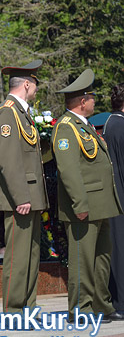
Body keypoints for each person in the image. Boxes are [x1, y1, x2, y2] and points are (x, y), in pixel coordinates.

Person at [52, 69, 124, 322]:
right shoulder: (65, 128)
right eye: (92, 97)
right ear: (83, 101)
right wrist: (80, 204)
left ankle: (102, 305)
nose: (95, 101)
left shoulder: (85, 126)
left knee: (102, 258)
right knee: (83, 260)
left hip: (102, 205)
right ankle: (80, 310)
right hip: (85, 206)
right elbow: (69, 170)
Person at [0, 61, 49, 316]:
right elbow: (9, 161)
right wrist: (21, 197)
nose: (36, 89)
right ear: (27, 84)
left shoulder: (22, 113)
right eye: (35, 84)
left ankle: (28, 307)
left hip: (31, 196)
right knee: (18, 258)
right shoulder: (7, 113)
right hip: (21, 198)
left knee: (31, 256)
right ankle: (14, 311)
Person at [103, 84, 124, 314]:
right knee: (120, 251)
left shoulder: (110, 123)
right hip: (121, 195)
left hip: (114, 194)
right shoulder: (121, 125)